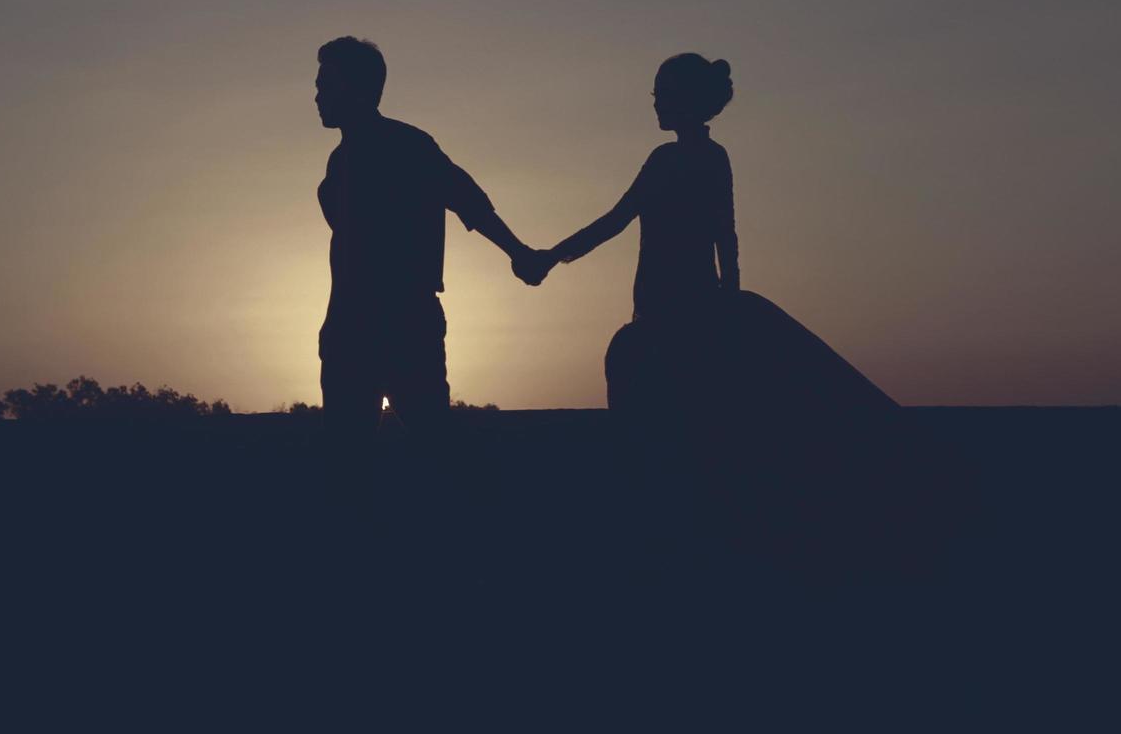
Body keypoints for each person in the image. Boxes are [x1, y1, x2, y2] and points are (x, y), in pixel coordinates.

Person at [513, 53, 923, 570]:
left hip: (672, 312)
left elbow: (621, 222)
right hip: (699, 307)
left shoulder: (669, 160)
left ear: (683, 98)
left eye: (661, 91)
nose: (655, 101)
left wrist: (550, 257)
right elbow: (721, 236)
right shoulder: (712, 157)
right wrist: (731, 300)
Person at [313, 36, 536, 524]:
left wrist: (518, 252)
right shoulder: (341, 159)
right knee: (347, 452)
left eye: (325, 84)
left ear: (356, 87)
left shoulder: (408, 145)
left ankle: (490, 524)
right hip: (350, 320)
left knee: (434, 439)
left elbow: (467, 199)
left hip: (401, 316)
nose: (316, 95)